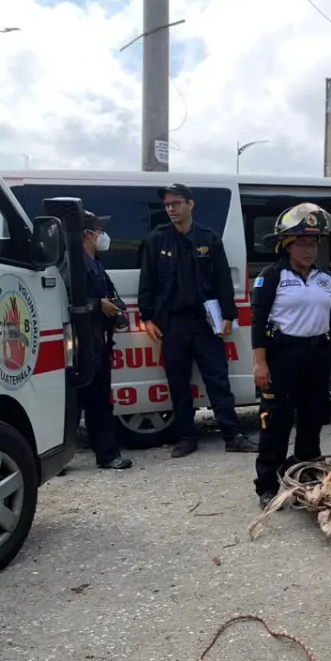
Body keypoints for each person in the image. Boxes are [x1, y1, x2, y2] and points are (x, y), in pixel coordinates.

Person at [137, 183, 257, 458]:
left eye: (176, 203)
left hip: (205, 323)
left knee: (218, 380)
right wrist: (147, 317)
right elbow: (148, 281)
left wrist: (228, 315)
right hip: (174, 324)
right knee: (178, 383)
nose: (171, 208)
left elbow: (222, 280)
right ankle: (185, 438)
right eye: (167, 205)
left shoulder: (208, 237)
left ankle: (233, 435)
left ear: (191, 204)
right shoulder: (157, 239)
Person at [250, 204, 331, 507]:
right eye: (302, 243)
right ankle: (267, 485)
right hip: (282, 358)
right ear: (287, 245)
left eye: (314, 243)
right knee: (275, 424)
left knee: (312, 422)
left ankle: (303, 477)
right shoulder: (271, 277)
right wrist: (260, 362)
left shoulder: (326, 279)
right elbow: (259, 320)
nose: (309, 249)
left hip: (317, 358)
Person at [78, 210, 133, 470]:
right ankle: (62, 456)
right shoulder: (73, 263)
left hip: (98, 342)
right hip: (81, 345)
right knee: (78, 402)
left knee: (100, 400)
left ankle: (108, 454)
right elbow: (65, 301)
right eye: (99, 230)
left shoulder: (95, 262)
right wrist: (97, 305)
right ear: (87, 234)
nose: (103, 235)